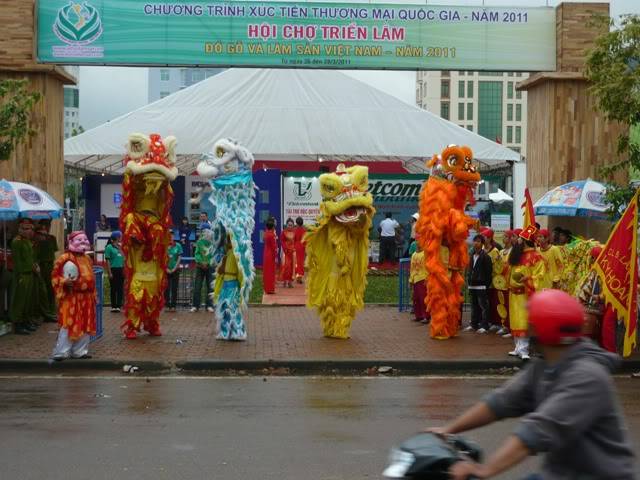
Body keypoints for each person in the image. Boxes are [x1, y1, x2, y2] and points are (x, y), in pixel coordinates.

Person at [433, 290, 636, 480]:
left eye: (531, 322)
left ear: (544, 328)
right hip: (559, 474)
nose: (527, 326)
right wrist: (448, 429)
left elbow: (539, 429)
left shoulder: (587, 376)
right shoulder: (545, 364)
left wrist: (483, 471)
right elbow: (501, 401)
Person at [51, 231, 96, 361]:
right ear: (71, 242)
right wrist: (64, 282)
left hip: (87, 298)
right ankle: (62, 352)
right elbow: (54, 276)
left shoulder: (87, 258)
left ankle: (80, 351)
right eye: (79, 239)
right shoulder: (64, 258)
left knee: (85, 324)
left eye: (85, 239)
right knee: (68, 323)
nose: (83, 241)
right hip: (71, 297)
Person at [507, 228, 546, 360]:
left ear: (526, 241)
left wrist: (528, 279)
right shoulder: (517, 254)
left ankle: (524, 349)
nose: (518, 240)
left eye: (520, 239)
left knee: (523, 321)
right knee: (515, 321)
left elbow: (540, 276)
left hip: (525, 294)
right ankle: (518, 347)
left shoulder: (536, 256)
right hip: (514, 294)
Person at [9, 219, 40, 334]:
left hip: (30, 273)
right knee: (20, 300)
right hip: (22, 274)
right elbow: (18, 261)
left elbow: (30, 257)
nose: (29, 231)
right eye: (26, 229)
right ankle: (17, 324)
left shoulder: (27, 241)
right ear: (20, 229)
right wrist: (32, 268)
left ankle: (25, 320)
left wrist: (35, 265)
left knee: (27, 300)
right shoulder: (16, 242)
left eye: (30, 228)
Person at [465, 234, 493, 333]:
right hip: (472, 285)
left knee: (483, 306)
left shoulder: (486, 257)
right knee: (474, 305)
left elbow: (488, 273)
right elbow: (469, 270)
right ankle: (474, 324)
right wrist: (469, 281)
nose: (476, 243)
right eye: (475, 241)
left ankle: (484, 325)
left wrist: (486, 285)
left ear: (482, 244)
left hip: (481, 285)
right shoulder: (471, 256)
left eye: (478, 241)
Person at [34, 219, 58, 322]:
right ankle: (44, 313)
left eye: (48, 225)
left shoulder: (52, 238)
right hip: (41, 265)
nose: (47, 227)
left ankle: (51, 311)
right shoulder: (37, 238)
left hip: (50, 265)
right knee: (41, 290)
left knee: (51, 289)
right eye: (45, 225)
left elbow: (54, 250)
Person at [493, 230, 513, 337]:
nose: (503, 239)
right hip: (501, 283)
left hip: (509, 282)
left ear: (510, 239)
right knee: (502, 305)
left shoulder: (513, 251)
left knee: (509, 306)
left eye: (505, 237)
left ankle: (510, 327)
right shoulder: (501, 252)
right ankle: (504, 325)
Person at [481, 228, 501, 331]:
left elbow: (497, 267)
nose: (482, 239)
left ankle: (495, 322)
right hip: (482, 281)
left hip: (492, 281)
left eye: (484, 237)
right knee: (483, 302)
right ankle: (485, 321)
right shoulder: (481, 250)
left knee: (493, 302)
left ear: (489, 239)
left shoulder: (495, 251)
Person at [190, 226, 214, 313]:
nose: (206, 234)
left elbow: (214, 255)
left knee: (210, 287)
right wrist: (201, 262)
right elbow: (197, 254)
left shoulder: (213, 243)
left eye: (207, 232)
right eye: (204, 232)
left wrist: (208, 263)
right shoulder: (199, 242)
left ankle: (210, 305)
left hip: (210, 267)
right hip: (200, 267)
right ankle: (195, 306)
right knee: (197, 286)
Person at [103, 231, 124, 313]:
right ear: (117, 237)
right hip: (113, 269)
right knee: (113, 288)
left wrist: (120, 249)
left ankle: (119, 305)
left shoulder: (120, 246)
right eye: (120, 236)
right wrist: (109, 272)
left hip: (121, 269)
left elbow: (124, 257)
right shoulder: (109, 247)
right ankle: (113, 306)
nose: (121, 238)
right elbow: (107, 260)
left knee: (120, 288)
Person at [409, 238, 429, 324]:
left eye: (420, 242)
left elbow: (428, 267)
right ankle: (418, 316)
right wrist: (410, 280)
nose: (418, 244)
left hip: (423, 278)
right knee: (416, 299)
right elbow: (412, 268)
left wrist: (427, 279)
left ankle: (426, 316)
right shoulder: (413, 254)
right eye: (417, 242)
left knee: (423, 298)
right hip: (415, 279)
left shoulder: (425, 254)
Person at [165, 236, 183, 312]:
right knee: (166, 288)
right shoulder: (164, 246)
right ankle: (167, 305)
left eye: (172, 236)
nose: (170, 238)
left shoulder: (178, 245)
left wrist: (174, 269)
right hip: (166, 270)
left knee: (174, 288)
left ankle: (173, 306)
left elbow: (179, 258)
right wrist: (166, 269)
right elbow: (162, 258)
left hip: (175, 270)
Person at [262, 219, 278, 294]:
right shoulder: (271, 235)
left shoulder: (266, 233)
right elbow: (274, 247)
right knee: (271, 272)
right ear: (272, 227)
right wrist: (276, 256)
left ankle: (267, 288)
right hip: (271, 254)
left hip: (266, 253)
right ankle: (270, 289)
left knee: (266, 272)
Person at [280, 218, 295, 288]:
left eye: (291, 225)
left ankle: (290, 282)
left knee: (292, 267)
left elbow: (296, 241)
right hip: (286, 252)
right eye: (289, 225)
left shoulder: (294, 232)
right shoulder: (283, 232)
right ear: (286, 225)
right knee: (286, 267)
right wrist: (285, 249)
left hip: (292, 252)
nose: (290, 226)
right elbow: (282, 241)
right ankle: (284, 281)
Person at [293, 217, 306, 284]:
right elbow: (305, 240)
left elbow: (294, 239)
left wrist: (294, 246)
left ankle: (298, 276)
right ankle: (299, 277)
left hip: (296, 246)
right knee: (301, 262)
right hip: (302, 246)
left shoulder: (295, 230)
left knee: (297, 262)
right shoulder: (304, 230)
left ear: (297, 223)